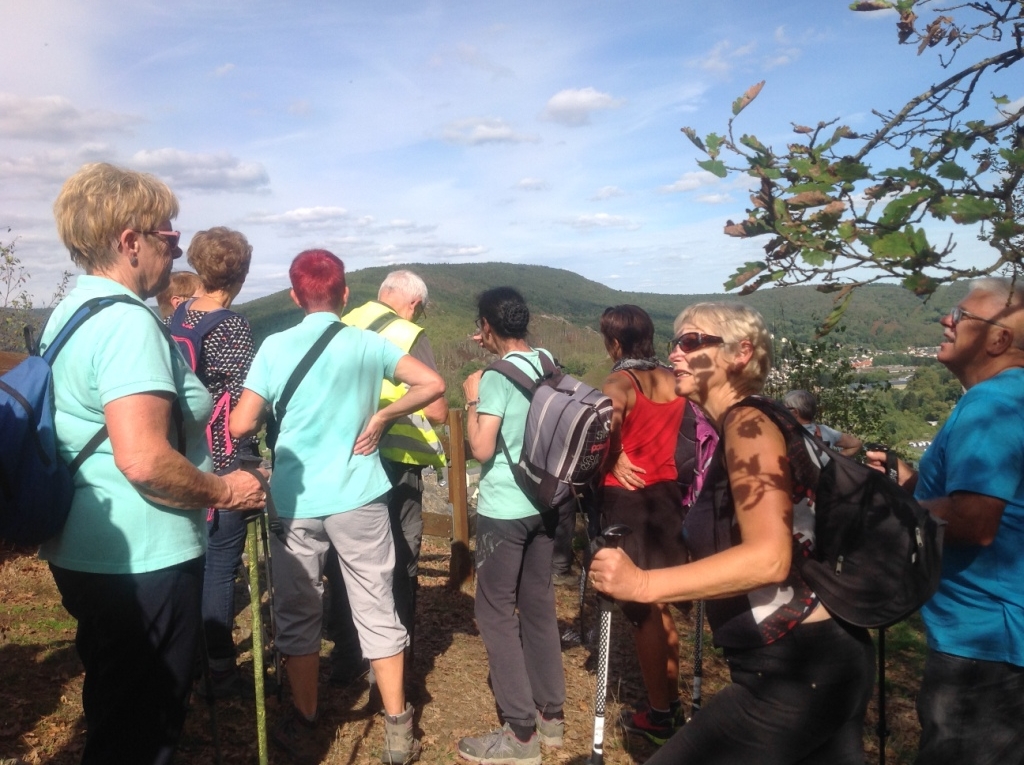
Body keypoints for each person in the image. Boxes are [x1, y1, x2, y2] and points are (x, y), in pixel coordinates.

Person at [41, 162, 266, 765]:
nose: (175, 248)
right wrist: (225, 491)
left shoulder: (71, 312)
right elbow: (142, 458)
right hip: (143, 560)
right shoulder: (127, 323)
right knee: (144, 729)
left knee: (117, 710)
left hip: (87, 545)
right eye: (168, 236)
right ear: (129, 241)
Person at [590, 302, 875, 765]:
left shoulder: (748, 423)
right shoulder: (754, 421)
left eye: (692, 341)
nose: (676, 353)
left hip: (793, 670)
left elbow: (769, 558)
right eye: (675, 341)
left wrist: (641, 583)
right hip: (818, 660)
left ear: (740, 353)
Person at [229, 249, 444, 764]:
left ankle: (305, 721)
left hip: (295, 500)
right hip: (360, 494)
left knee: (299, 610)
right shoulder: (369, 342)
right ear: (345, 294)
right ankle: (397, 729)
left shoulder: (275, 347)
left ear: (294, 296)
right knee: (376, 602)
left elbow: (241, 424)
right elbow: (433, 385)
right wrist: (385, 416)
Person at [866, 278, 1024, 765]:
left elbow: (975, 521)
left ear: (998, 340)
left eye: (960, 313)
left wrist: (865, 508)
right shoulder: (1010, 398)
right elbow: (971, 501)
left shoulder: (992, 404)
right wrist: (904, 479)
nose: (945, 319)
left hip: (984, 644)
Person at [459, 287, 566, 765]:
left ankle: (521, 736)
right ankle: (551, 717)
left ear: (486, 326)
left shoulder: (495, 378)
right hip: (548, 501)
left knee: (495, 612)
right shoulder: (545, 359)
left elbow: (481, 449)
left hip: (506, 507)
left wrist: (472, 397)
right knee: (539, 605)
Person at [327, 269, 449, 685]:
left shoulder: (344, 321)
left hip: (343, 458)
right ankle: (395, 660)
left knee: (348, 555)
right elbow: (435, 409)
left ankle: (347, 653)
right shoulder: (408, 335)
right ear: (413, 303)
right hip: (394, 461)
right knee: (398, 559)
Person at [172, 228, 259, 697]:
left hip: (183, 452)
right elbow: (247, 402)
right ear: (241, 274)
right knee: (222, 563)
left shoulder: (180, 316)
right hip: (224, 457)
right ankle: (221, 669)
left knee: (194, 558)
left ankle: (187, 659)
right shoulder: (232, 326)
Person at [597, 305, 688, 745]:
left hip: (628, 500)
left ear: (614, 343)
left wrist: (612, 452)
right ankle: (670, 701)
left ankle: (658, 713)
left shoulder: (619, 383)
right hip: (669, 498)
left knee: (643, 610)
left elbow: (604, 427)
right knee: (663, 601)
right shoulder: (675, 379)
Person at [783, 389, 863, 457]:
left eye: (785, 408)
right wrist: (834, 460)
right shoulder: (825, 431)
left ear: (795, 412)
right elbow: (856, 444)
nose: (782, 411)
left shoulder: (786, 434)